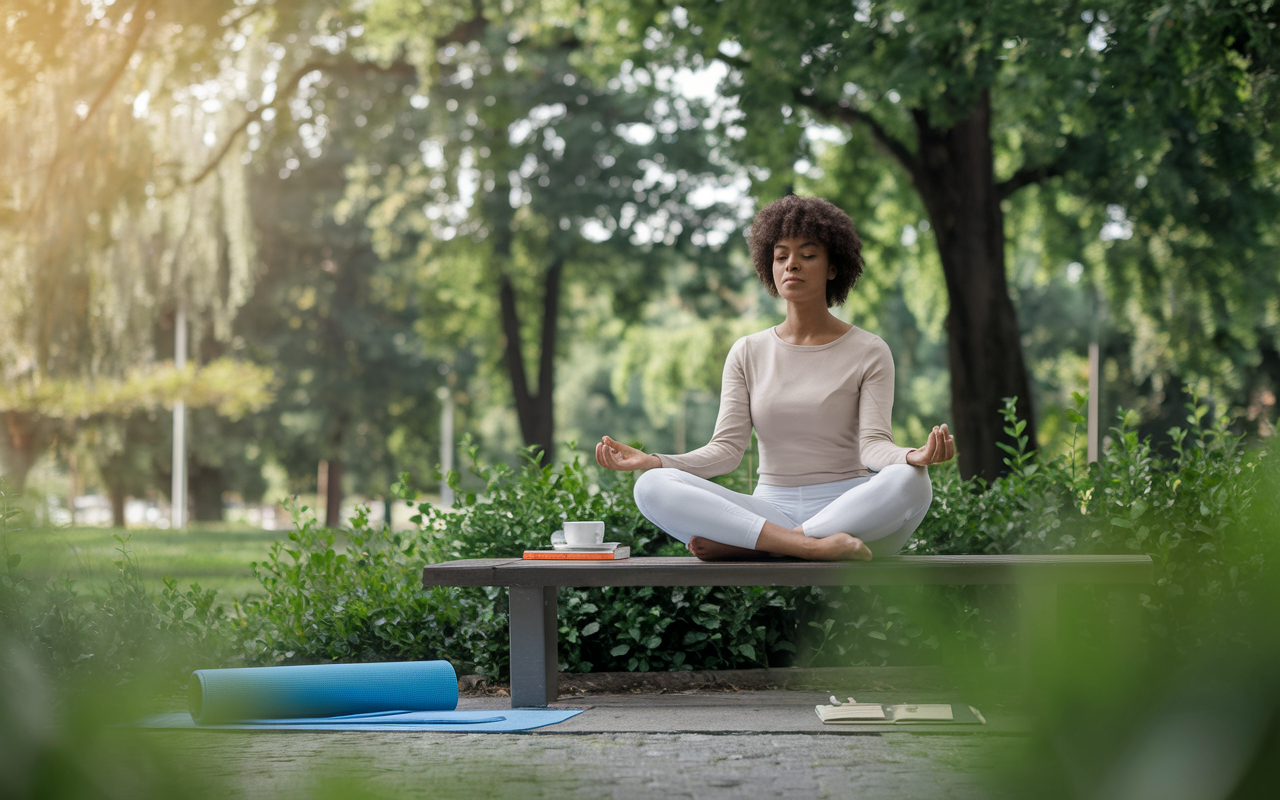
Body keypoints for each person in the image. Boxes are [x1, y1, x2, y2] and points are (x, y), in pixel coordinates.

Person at [595, 194, 955, 561]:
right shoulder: (747, 352)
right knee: (652, 486)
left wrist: (914, 455)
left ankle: (770, 544)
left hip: (850, 512)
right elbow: (725, 452)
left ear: (833, 267)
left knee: (911, 480)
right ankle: (806, 548)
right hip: (769, 512)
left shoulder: (869, 350)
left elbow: (875, 446)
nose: (792, 266)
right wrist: (653, 461)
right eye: (781, 256)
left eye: (808, 255)